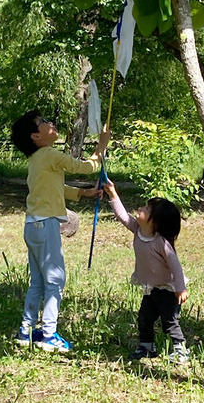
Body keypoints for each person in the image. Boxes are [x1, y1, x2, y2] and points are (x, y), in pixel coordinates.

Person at [11, 110, 110, 352]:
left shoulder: (38, 160)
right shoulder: (50, 154)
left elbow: (54, 186)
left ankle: (26, 331)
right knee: (55, 280)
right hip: (46, 226)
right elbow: (85, 167)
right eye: (44, 122)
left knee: (38, 281)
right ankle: (49, 335)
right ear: (36, 136)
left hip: (32, 225)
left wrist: (82, 193)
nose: (50, 123)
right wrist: (102, 145)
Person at [103, 180, 190, 364]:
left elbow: (176, 266)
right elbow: (122, 216)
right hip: (151, 288)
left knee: (170, 321)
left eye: (147, 209)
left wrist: (180, 288)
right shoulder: (138, 230)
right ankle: (147, 346)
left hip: (168, 289)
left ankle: (180, 348)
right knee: (145, 317)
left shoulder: (161, 243)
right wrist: (112, 193)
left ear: (156, 223)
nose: (141, 208)